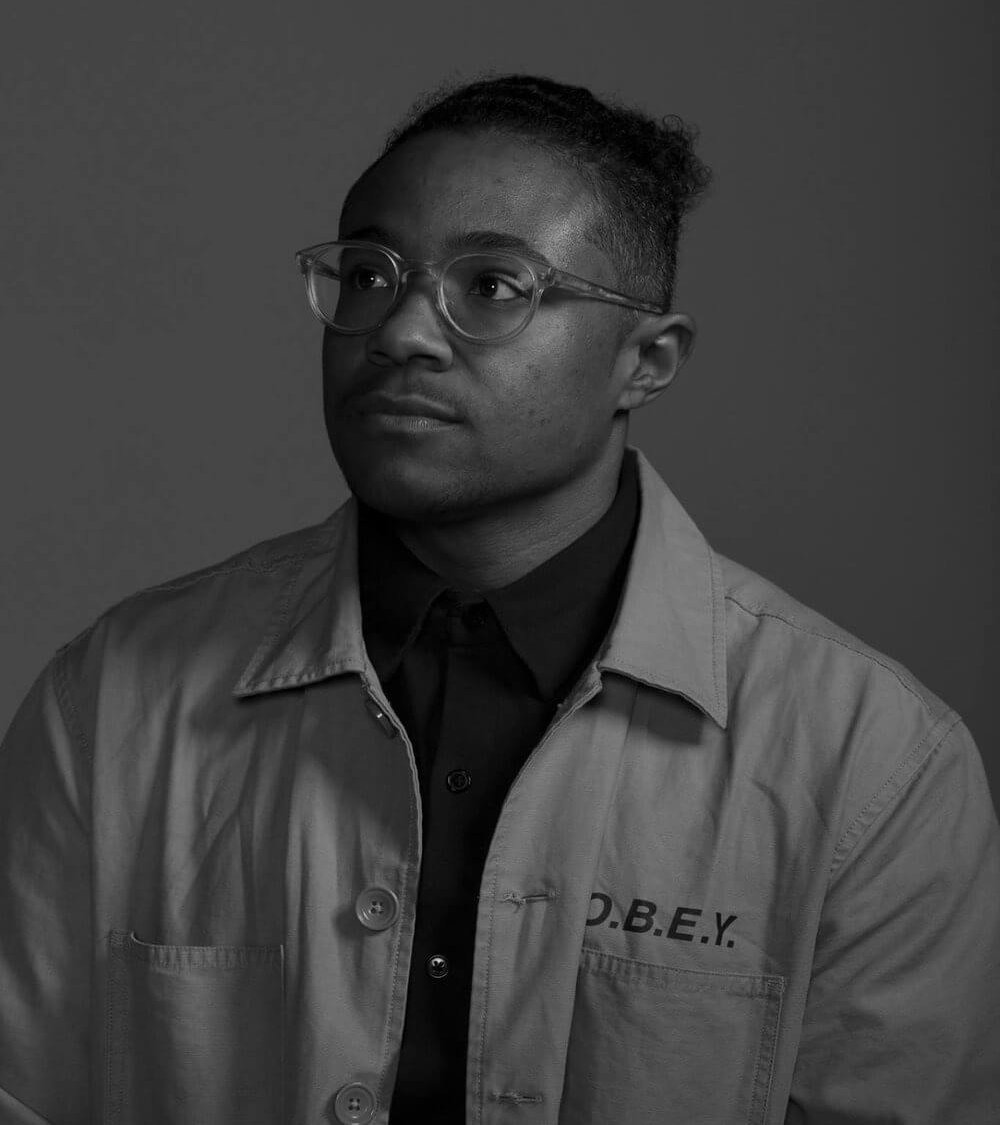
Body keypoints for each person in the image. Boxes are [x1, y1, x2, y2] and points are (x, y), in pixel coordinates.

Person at [0, 72, 997, 1125]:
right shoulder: (115, 695)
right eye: (369, 276)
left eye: (491, 286)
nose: (397, 334)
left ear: (645, 361)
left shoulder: (869, 761)